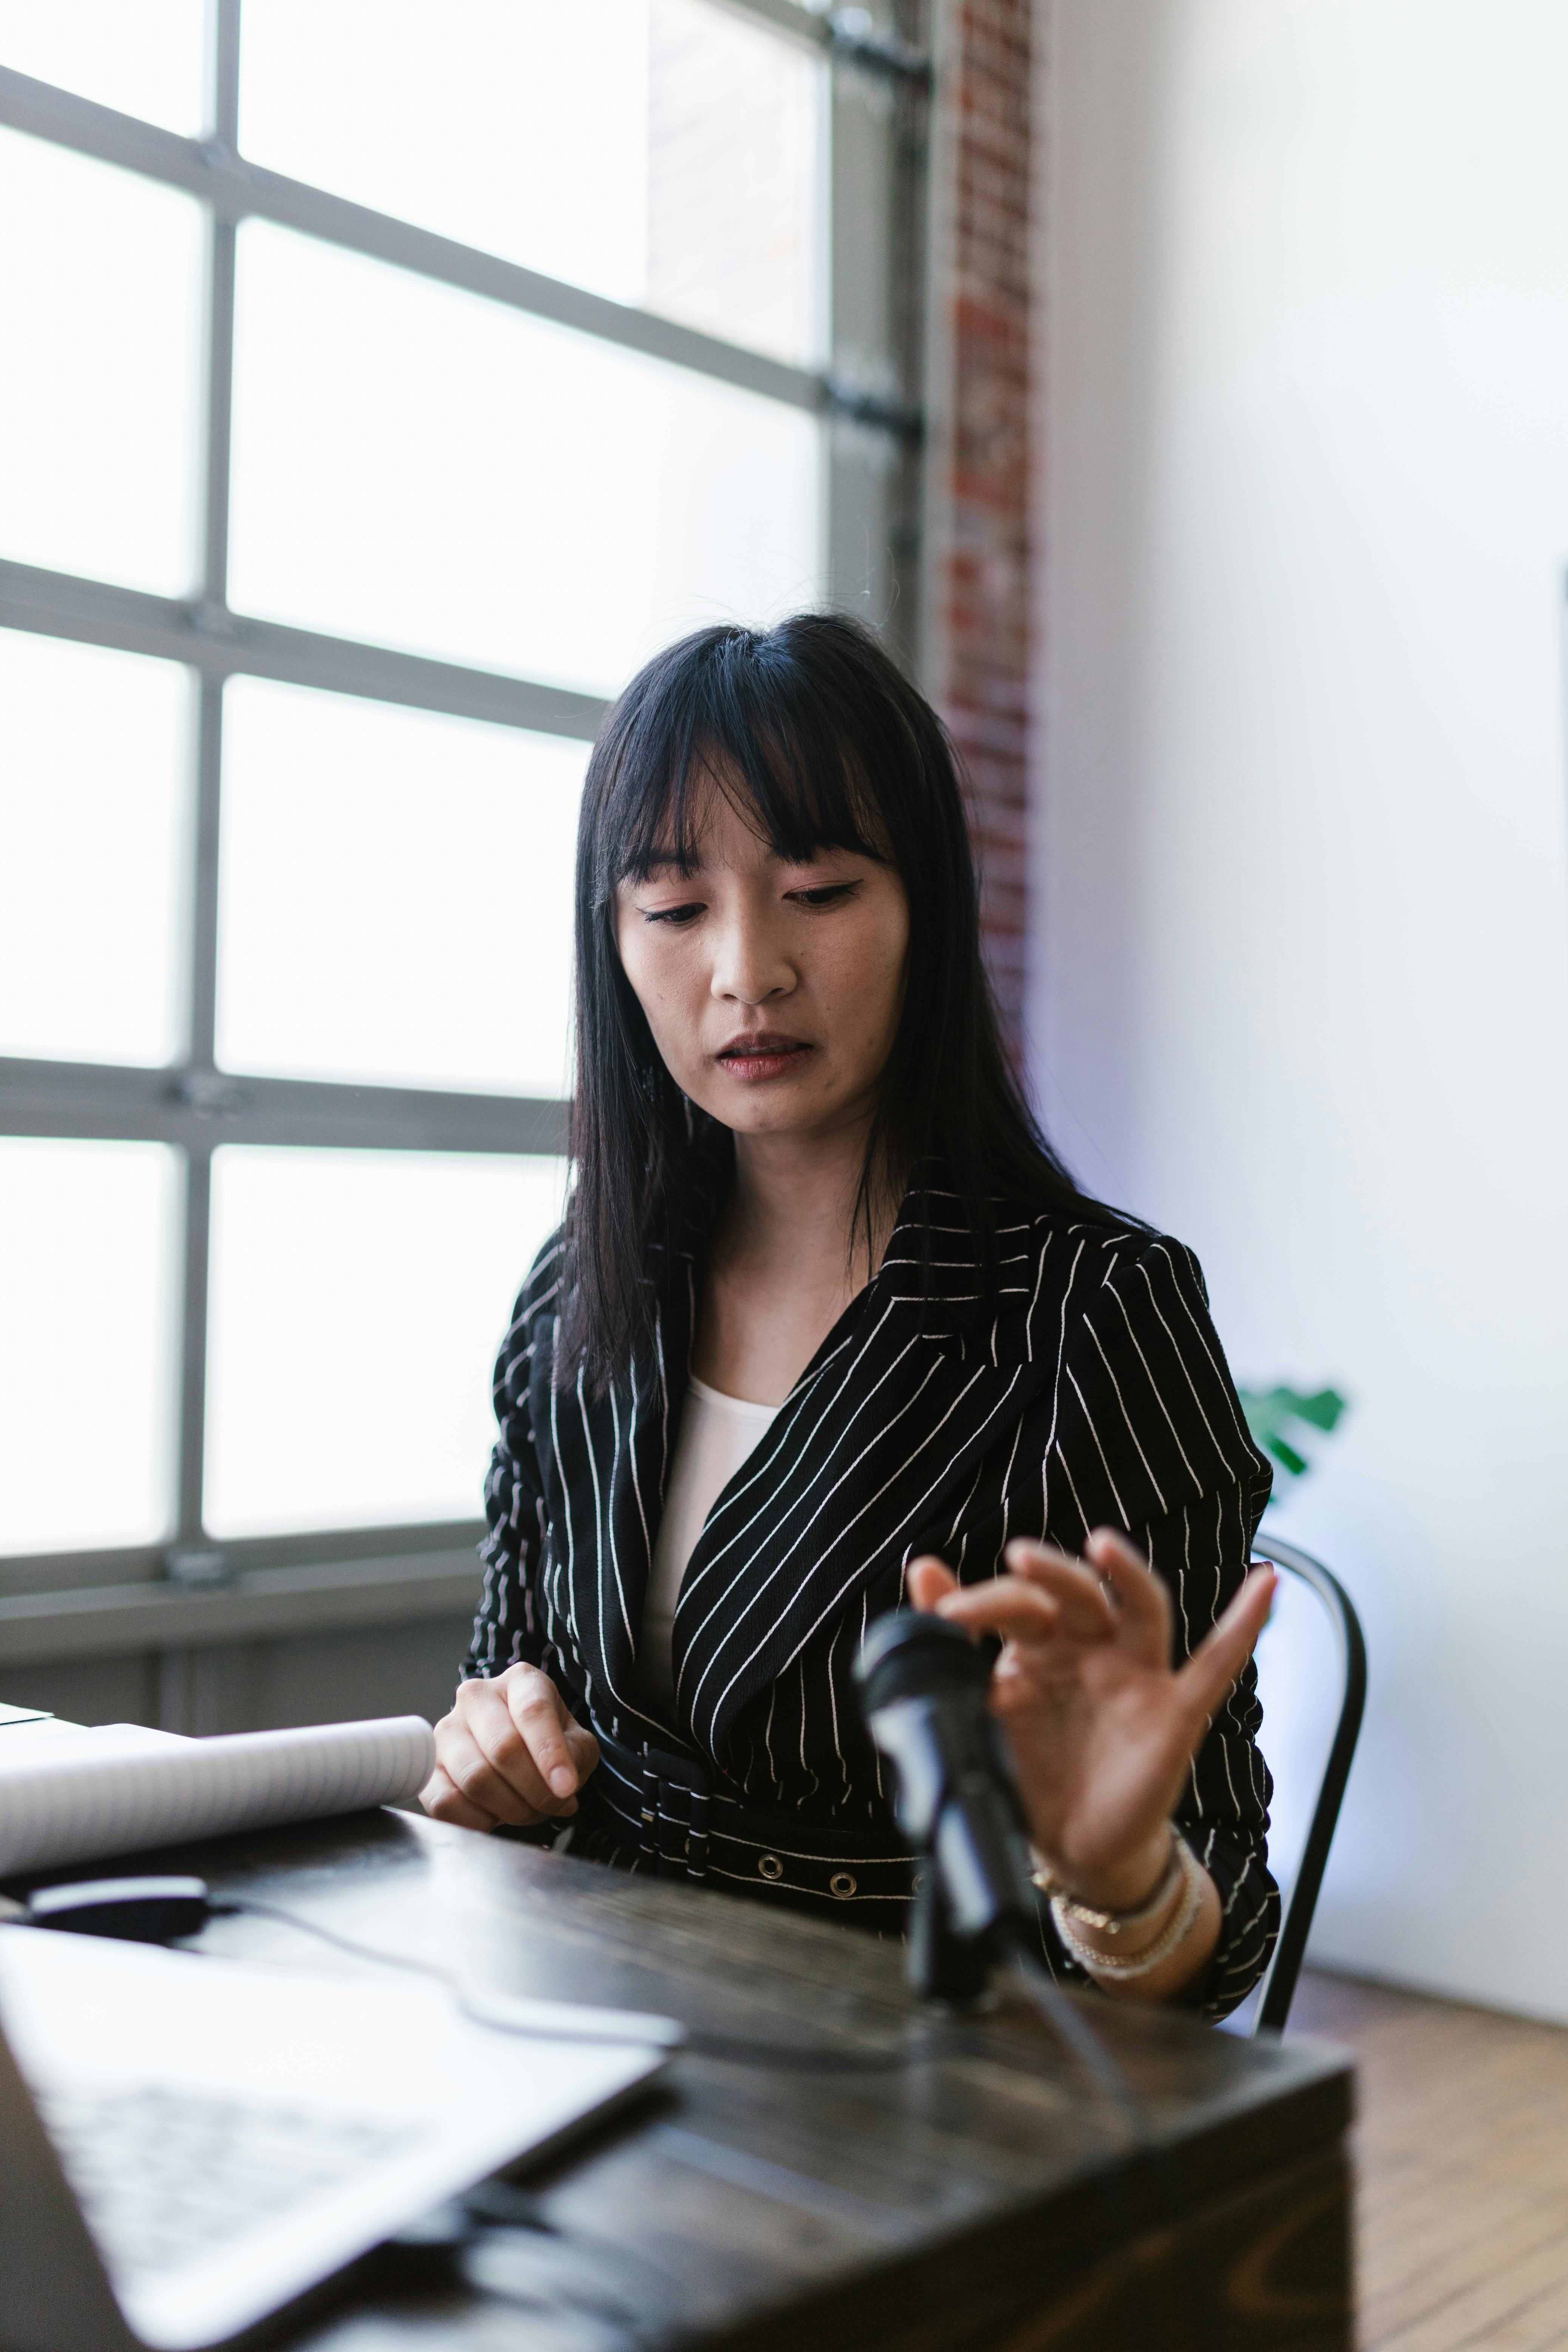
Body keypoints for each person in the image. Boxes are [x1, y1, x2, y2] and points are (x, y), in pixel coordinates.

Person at [421, 614, 1278, 2019]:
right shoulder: (576, 1296)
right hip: (591, 2047)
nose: (748, 969)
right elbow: (506, 1695)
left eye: (817, 887)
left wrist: (1119, 1877)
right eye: (676, 906)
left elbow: (1221, 1910)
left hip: (920, 2093)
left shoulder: (1092, 1311)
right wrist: (492, 1753)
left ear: (926, 910)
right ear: (615, 942)